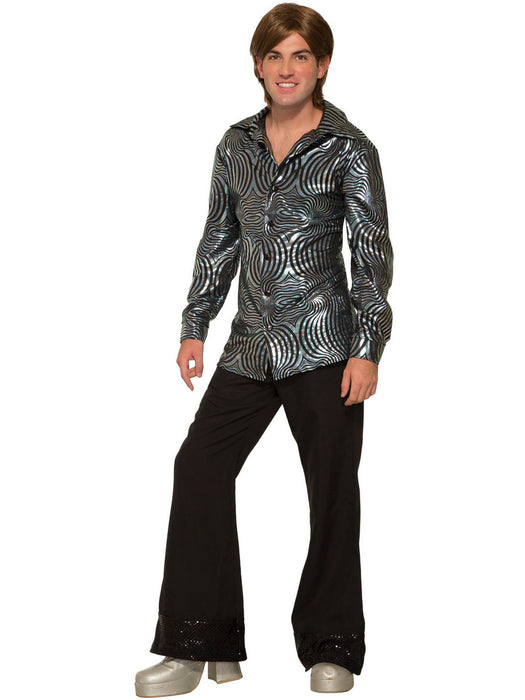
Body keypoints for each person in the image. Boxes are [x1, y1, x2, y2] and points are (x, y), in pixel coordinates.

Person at [135, 2, 393, 695]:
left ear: (322, 66)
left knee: (331, 493)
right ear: (257, 65)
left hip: (325, 347)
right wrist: (195, 325)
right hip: (249, 348)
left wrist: (368, 347)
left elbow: (371, 254)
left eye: (300, 56)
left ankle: (331, 648)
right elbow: (219, 238)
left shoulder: (349, 149)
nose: (286, 68)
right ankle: (198, 643)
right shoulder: (236, 145)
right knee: (198, 468)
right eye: (274, 56)